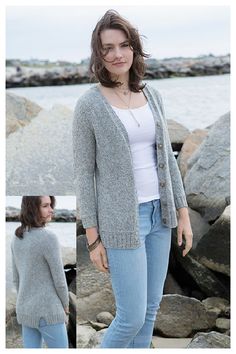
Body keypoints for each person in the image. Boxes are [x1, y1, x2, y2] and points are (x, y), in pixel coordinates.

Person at [73, 9, 193, 348]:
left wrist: (182, 214)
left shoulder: (151, 94)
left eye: (124, 45)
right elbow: (84, 174)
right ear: (98, 54)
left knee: (151, 311)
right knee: (130, 317)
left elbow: (167, 160)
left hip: (161, 216)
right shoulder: (89, 105)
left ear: (134, 48)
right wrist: (93, 239)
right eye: (108, 48)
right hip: (124, 221)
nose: (117, 54)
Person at [11, 196, 69, 348]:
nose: (51, 210)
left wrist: (25, 302)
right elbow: (60, 280)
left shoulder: (17, 238)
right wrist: (65, 306)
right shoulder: (48, 238)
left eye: (51, 205)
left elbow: (16, 279)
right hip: (49, 311)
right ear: (33, 208)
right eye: (45, 206)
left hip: (25, 310)